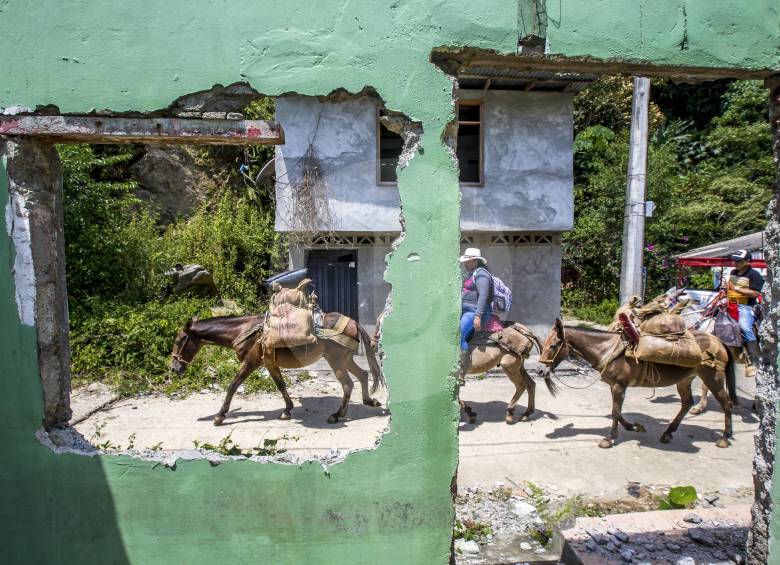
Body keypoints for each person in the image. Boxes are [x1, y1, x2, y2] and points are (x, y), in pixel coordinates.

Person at [727, 249, 764, 377]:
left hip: (746, 306)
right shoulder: (733, 272)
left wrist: (736, 289)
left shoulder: (754, 275)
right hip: (729, 303)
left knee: (745, 327)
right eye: (734, 260)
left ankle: (754, 361)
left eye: (738, 261)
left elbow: (755, 293)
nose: (735, 263)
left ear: (747, 261)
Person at [460, 248, 493, 354]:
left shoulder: (481, 274)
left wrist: (478, 316)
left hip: (474, 313)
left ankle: (461, 364)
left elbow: (483, 295)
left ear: (475, 261)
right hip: (468, 311)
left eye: (467, 261)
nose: (465, 264)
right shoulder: (472, 273)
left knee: (459, 335)